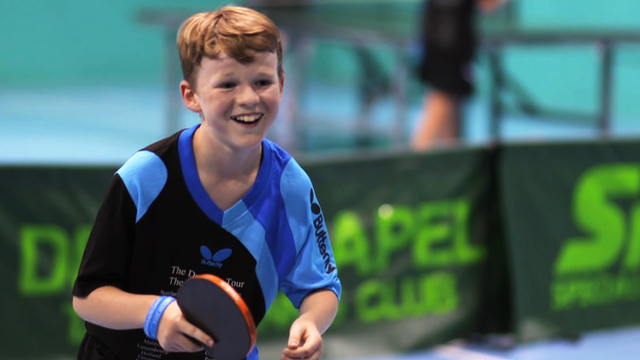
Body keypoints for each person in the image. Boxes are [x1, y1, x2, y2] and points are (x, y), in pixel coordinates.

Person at [72, 6, 341, 360]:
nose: (248, 98)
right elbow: (88, 297)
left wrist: (310, 321)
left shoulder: (290, 185)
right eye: (228, 84)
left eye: (262, 81)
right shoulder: (146, 175)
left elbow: (320, 286)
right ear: (191, 96)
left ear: (282, 83)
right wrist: (156, 314)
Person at [411, 0, 509, 151]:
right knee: (440, 104)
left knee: (451, 110)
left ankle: (454, 164)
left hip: (434, 38)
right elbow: (488, 6)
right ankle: (410, 164)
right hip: (451, 44)